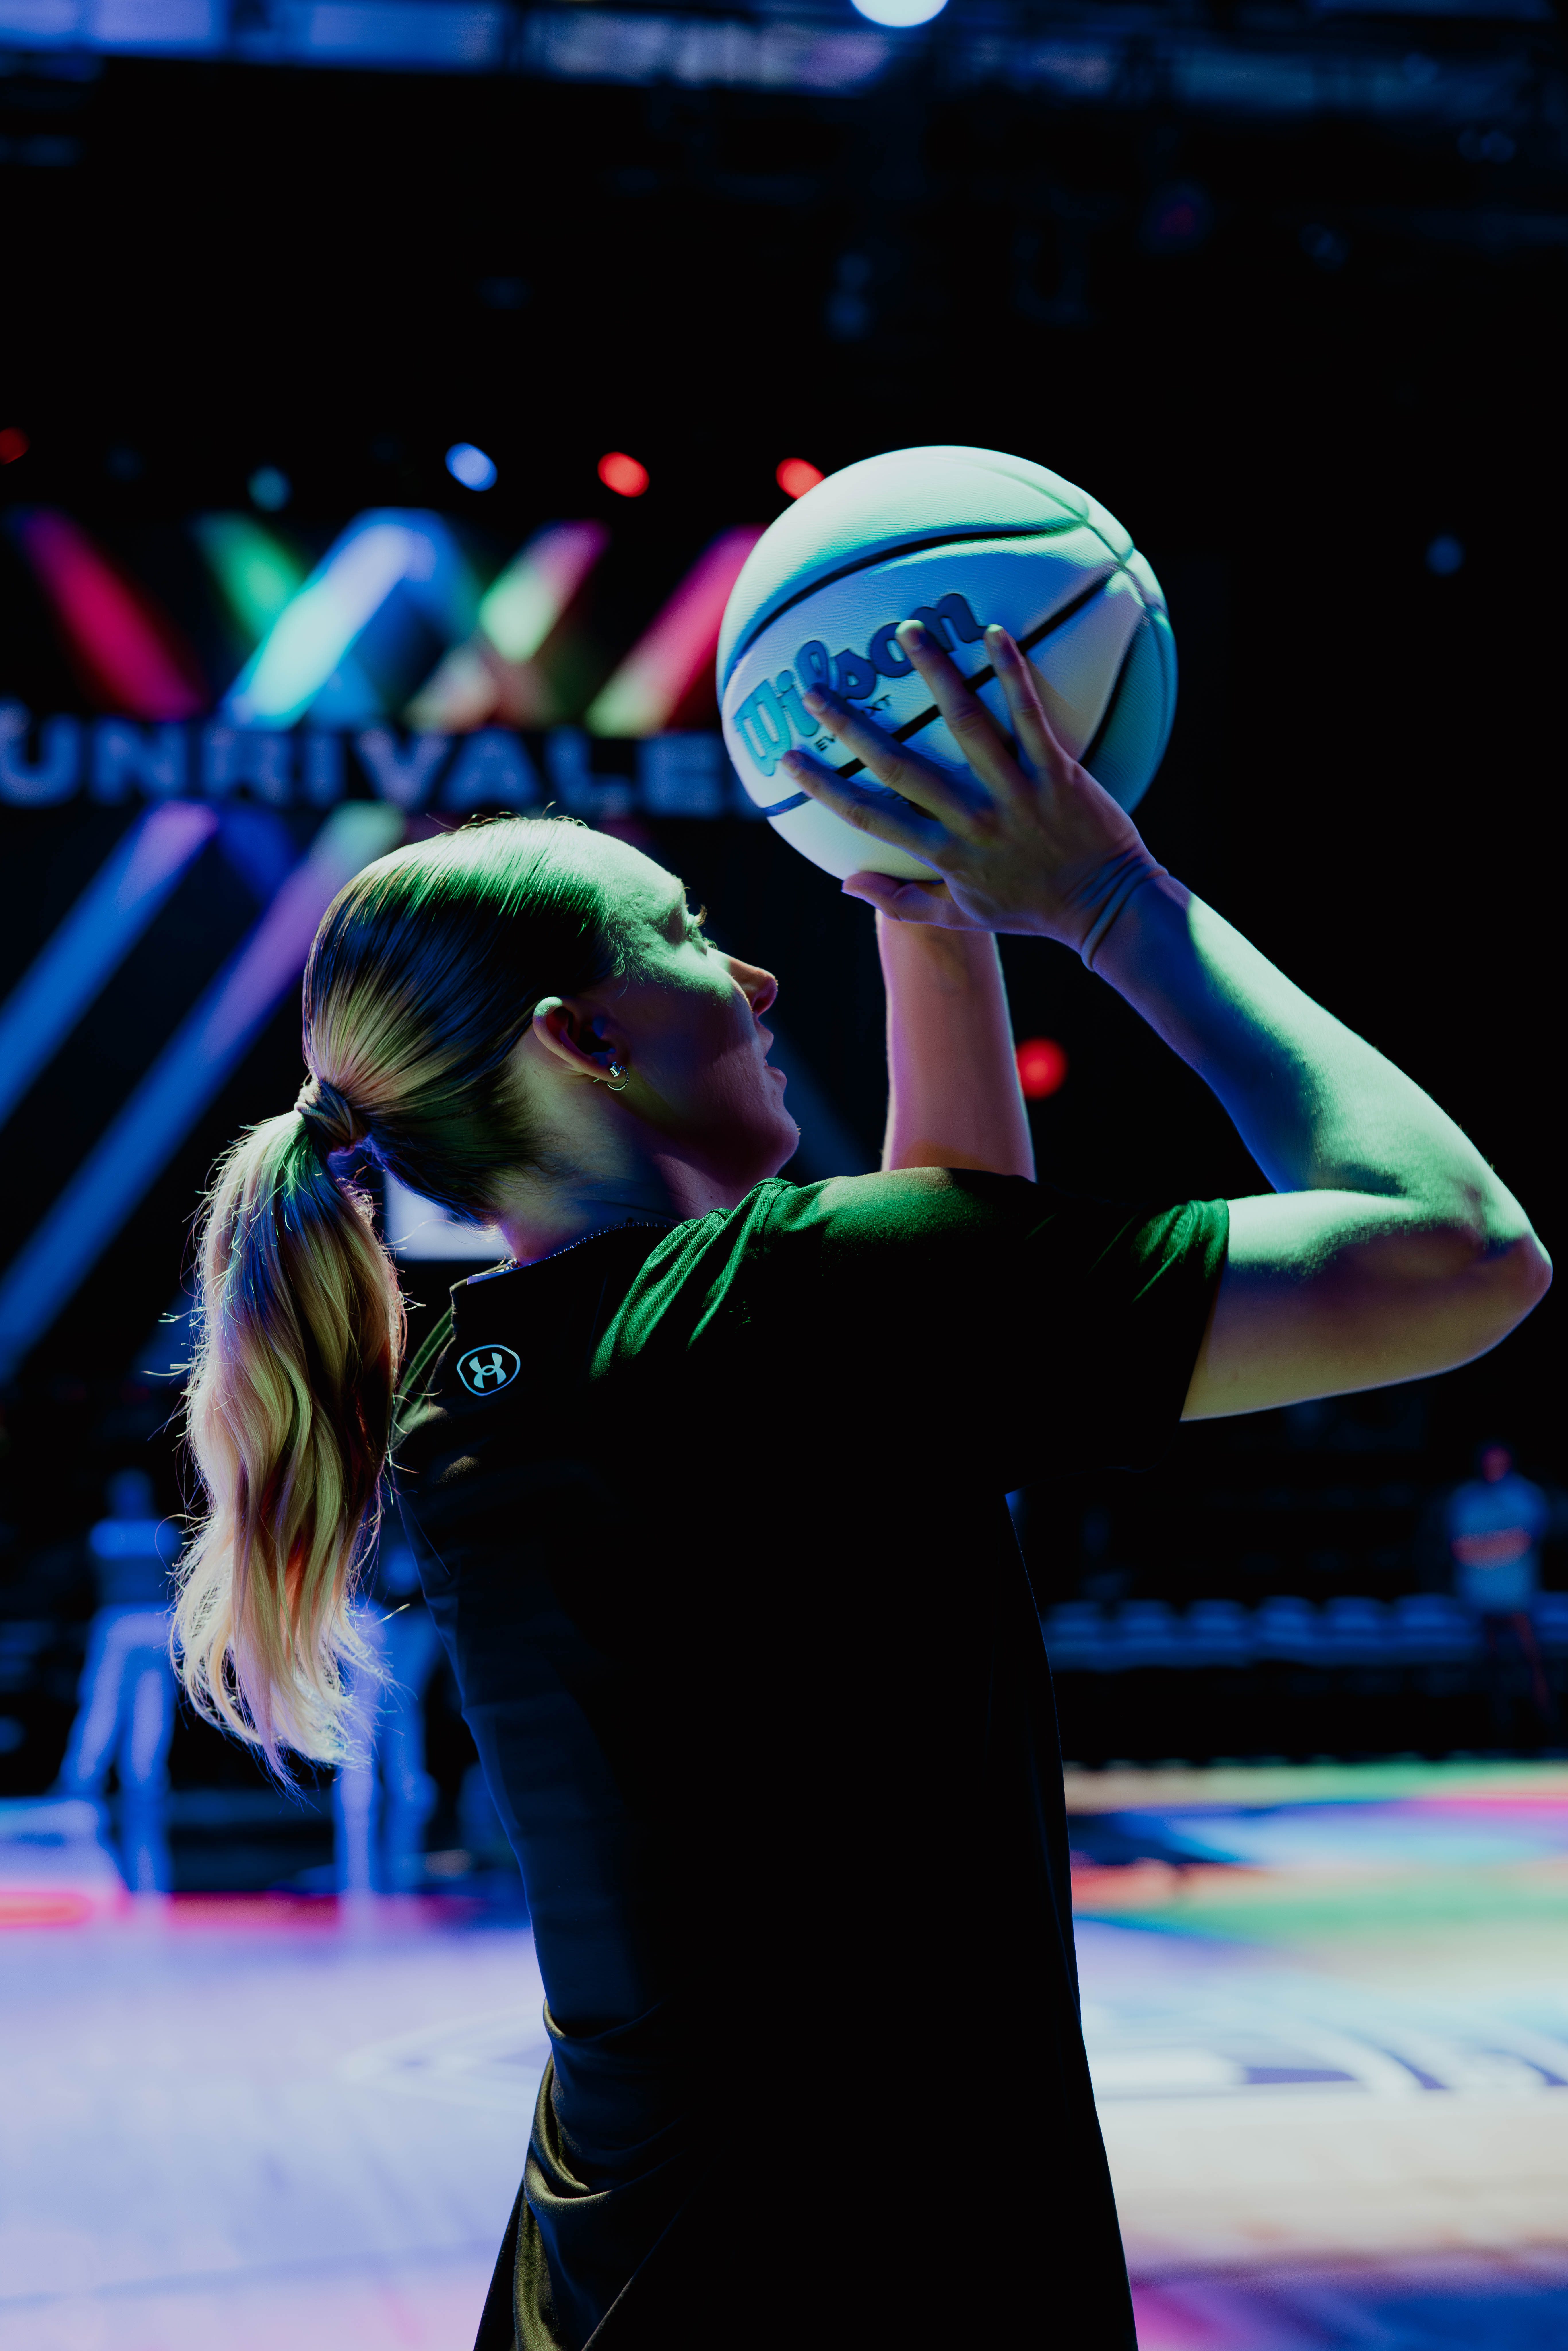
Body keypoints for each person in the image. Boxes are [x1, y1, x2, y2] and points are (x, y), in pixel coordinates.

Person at [170, 621, 1548, 2351]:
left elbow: (935, 1270)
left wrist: (922, 905)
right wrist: (1110, 899)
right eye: (684, 935)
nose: (749, 978)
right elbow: (1461, 1253)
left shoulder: (489, 1377)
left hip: (644, 2261)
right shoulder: (788, 1317)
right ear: (584, 1039)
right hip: (857, 2276)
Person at [57, 1467, 178, 1892]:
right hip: (138, 1625)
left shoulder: (111, 1535)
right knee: (118, 1705)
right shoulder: (153, 1534)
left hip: (133, 1625)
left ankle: (106, 1779)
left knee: (129, 1706)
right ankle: (98, 1779)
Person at [1447, 1440, 1554, 1741]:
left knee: (1533, 1661)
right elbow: (1462, 1549)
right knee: (1490, 1665)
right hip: (1480, 1598)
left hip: (1519, 1597)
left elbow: (1523, 1541)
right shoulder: (1467, 1499)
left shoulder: (1525, 1496)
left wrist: (1486, 1546)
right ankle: (1497, 1732)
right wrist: (1502, 1543)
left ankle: (1548, 1731)